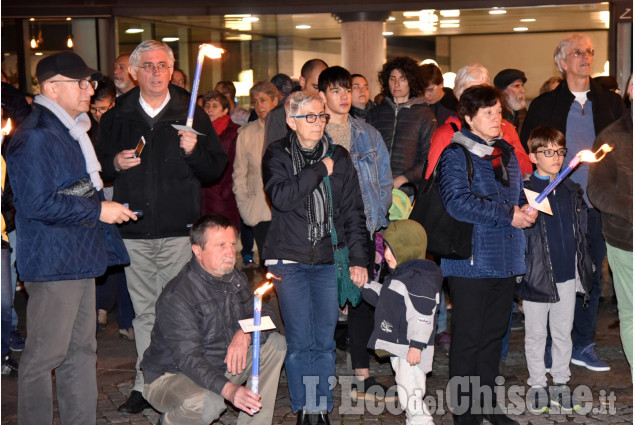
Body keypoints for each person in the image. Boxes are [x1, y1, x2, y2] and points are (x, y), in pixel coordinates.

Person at [96, 40, 228, 414]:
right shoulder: (117, 115)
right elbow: (98, 167)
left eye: (163, 65)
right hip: (133, 228)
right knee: (145, 313)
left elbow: (214, 168)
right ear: (135, 72)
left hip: (178, 229)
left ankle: (180, 380)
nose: (156, 72)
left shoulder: (190, 111)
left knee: (177, 311)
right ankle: (146, 382)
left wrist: (193, 150)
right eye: (148, 66)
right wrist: (115, 166)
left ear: (172, 70)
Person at [8, 51, 136, 424]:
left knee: (81, 352)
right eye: (80, 83)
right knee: (43, 358)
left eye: (90, 82)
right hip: (53, 261)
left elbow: (70, 189)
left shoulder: (71, 130)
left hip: (79, 255)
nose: (89, 89)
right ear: (51, 88)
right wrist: (99, 210)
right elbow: (35, 204)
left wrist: (101, 202)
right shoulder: (35, 136)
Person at [262, 91, 369, 425]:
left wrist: (360, 259)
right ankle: (303, 408)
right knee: (299, 341)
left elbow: (353, 211)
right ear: (292, 121)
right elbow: (281, 197)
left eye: (322, 116)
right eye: (310, 116)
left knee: (323, 341)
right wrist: (319, 170)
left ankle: (320, 408)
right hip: (288, 260)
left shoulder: (340, 155)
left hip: (327, 259)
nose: (319, 122)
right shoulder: (276, 153)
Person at [520, 33, 624, 372]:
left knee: (590, 275)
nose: (586, 57)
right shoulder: (544, 105)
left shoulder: (610, 102)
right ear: (562, 61)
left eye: (590, 52)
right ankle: (551, 345)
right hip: (556, 205)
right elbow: (529, 150)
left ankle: (583, 344)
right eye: (578, 52)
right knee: (554, 274)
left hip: (597, 205)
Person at [437, 85, 537, 425]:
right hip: (470, 261)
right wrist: (509, 214)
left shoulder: (505, 151)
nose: (497, 119)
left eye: (499, 112)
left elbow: (512, 196)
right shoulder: (456, 154)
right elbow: (457, 202)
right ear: (468, 118)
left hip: (505, 258)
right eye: (488, 114)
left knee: (494, 337)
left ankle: (487, 406)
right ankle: (464, 413)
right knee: (468, 339)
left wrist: (524, 209)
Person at [141, 214, 287, 425]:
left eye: (232, 244)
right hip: (173, 375)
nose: (230, 252)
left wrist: (245, 331)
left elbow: (267, 315)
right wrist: (230, 390)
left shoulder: (234, 278)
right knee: (211, 401)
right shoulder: (179, 295)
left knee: (275, 344)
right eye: (220, 245)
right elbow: (189, 359)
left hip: (221, 364)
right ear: (197, 250)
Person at [318, 66, 393, 400]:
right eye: (335, 90)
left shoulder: (368, 134)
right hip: (324, 231)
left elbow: (385, 180)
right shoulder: (313, 135)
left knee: (362, 299)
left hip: (362, 227)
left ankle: (361, 373)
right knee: (324, 299)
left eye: (346, 89)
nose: (343, 96)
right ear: (322, 96)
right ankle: (319, 372)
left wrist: (375, 220)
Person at [517, 126, 592, 415]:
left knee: (563, 331)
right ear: (532, 156)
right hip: (537, 274)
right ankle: (537, 384)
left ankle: (561, 381)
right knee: (536, 333)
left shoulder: (571, 189)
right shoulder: (524, 190)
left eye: (560, 151)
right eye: (547, 152)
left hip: (566, 274)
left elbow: (579, 231)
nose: (556, 157)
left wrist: (585, 263)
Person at [359, 219, 442, 425]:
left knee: (410, 392)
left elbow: (423, 317)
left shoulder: (418, 279)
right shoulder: (402, 276)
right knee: (407, 390)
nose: (387, 254)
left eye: (393, 249)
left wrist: (416, 345)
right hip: (402, 348)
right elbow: (385, 298)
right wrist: (364, 285)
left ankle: (422, 422)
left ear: (409, 248)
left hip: (410, 348)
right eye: (386, 247)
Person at [587, 76, 633, 372]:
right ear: (631, 91)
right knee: (632, 316)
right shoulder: (610, 138)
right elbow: (598, 191)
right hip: (626, 241)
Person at [89, 77, 136, 340]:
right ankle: (102, 306)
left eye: (103, 109)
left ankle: (124, 316)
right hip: (98, 197)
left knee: (123, 254)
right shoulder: (85, 129)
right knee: (105, 253)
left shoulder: (119, 123)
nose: (98, 114)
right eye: (94, 109)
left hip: (117, 194)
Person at [426, 63, 532, 180]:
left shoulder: (506, 128)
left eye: (484, 91)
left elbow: (526, 170)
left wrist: (503, 141)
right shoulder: (447, 134)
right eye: (473, 93)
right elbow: (433, 179)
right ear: (460, 96)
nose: (480, 98)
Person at [367, 56, 437, 197]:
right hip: (377, 190)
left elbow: (430, 158)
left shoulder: (425, 115)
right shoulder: (375, 114)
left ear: (411, 81)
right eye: (392, 79)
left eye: (403, 79)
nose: (396, 84)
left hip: (408, 192)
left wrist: (403, 179)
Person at [232, 81, 281, 260]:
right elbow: (239, 173)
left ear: (275, 100)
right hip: (259, 211)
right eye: (255, 101)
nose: (259, 105)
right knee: (268, 265)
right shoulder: (246, 133)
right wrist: (245, 206)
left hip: (288, 212)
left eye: (263, 100)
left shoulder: (289, 129)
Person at [264, 59, 328, 151]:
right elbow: (271, 157)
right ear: (302, 81)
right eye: (316, 87)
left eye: (324, 89)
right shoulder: (279, 114)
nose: (320, 93)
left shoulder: (329, 110)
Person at [201, 90, 241, 231]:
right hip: (202, 196)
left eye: (215, 106)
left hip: (224, 196)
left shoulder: (234, 132)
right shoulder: (199, 131)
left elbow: (238, 166)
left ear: (225, 110)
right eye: (207, 106)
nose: (210, 109)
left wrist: (226, 192)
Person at [493, 68, 527, 133]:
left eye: (522, 85)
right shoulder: (495, 112)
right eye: (517, 86)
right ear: (502, 91)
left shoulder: (522, 111)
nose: (523, 90)